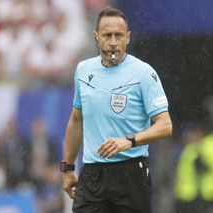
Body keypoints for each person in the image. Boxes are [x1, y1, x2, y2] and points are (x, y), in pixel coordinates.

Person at [61, 7, 173, 213]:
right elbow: (77, 120)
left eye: (119, 35)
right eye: (107, 35)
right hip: (92, 173)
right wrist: (68, 169)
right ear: (96, 37)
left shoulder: (144, 74)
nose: (113, 41)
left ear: (128, 38)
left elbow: (165, 126)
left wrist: (129, 141)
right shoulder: (83, 70)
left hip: (131, 172)